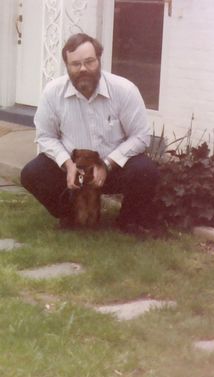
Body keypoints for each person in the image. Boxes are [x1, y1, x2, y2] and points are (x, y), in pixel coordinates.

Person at [21, 33, 159, 234]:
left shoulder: (124, 90)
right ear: (67, 66)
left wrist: (106, 164)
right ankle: (70, 214)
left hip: (113, 168)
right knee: (31, 174)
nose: (83, 69)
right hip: (73, 171)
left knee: (146, 170)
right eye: (75, 64)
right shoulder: (52, 92)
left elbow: (140, 136)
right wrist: (68, 165)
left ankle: (128, 220)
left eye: (89, 61)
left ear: (99, 59)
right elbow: (45, 136)